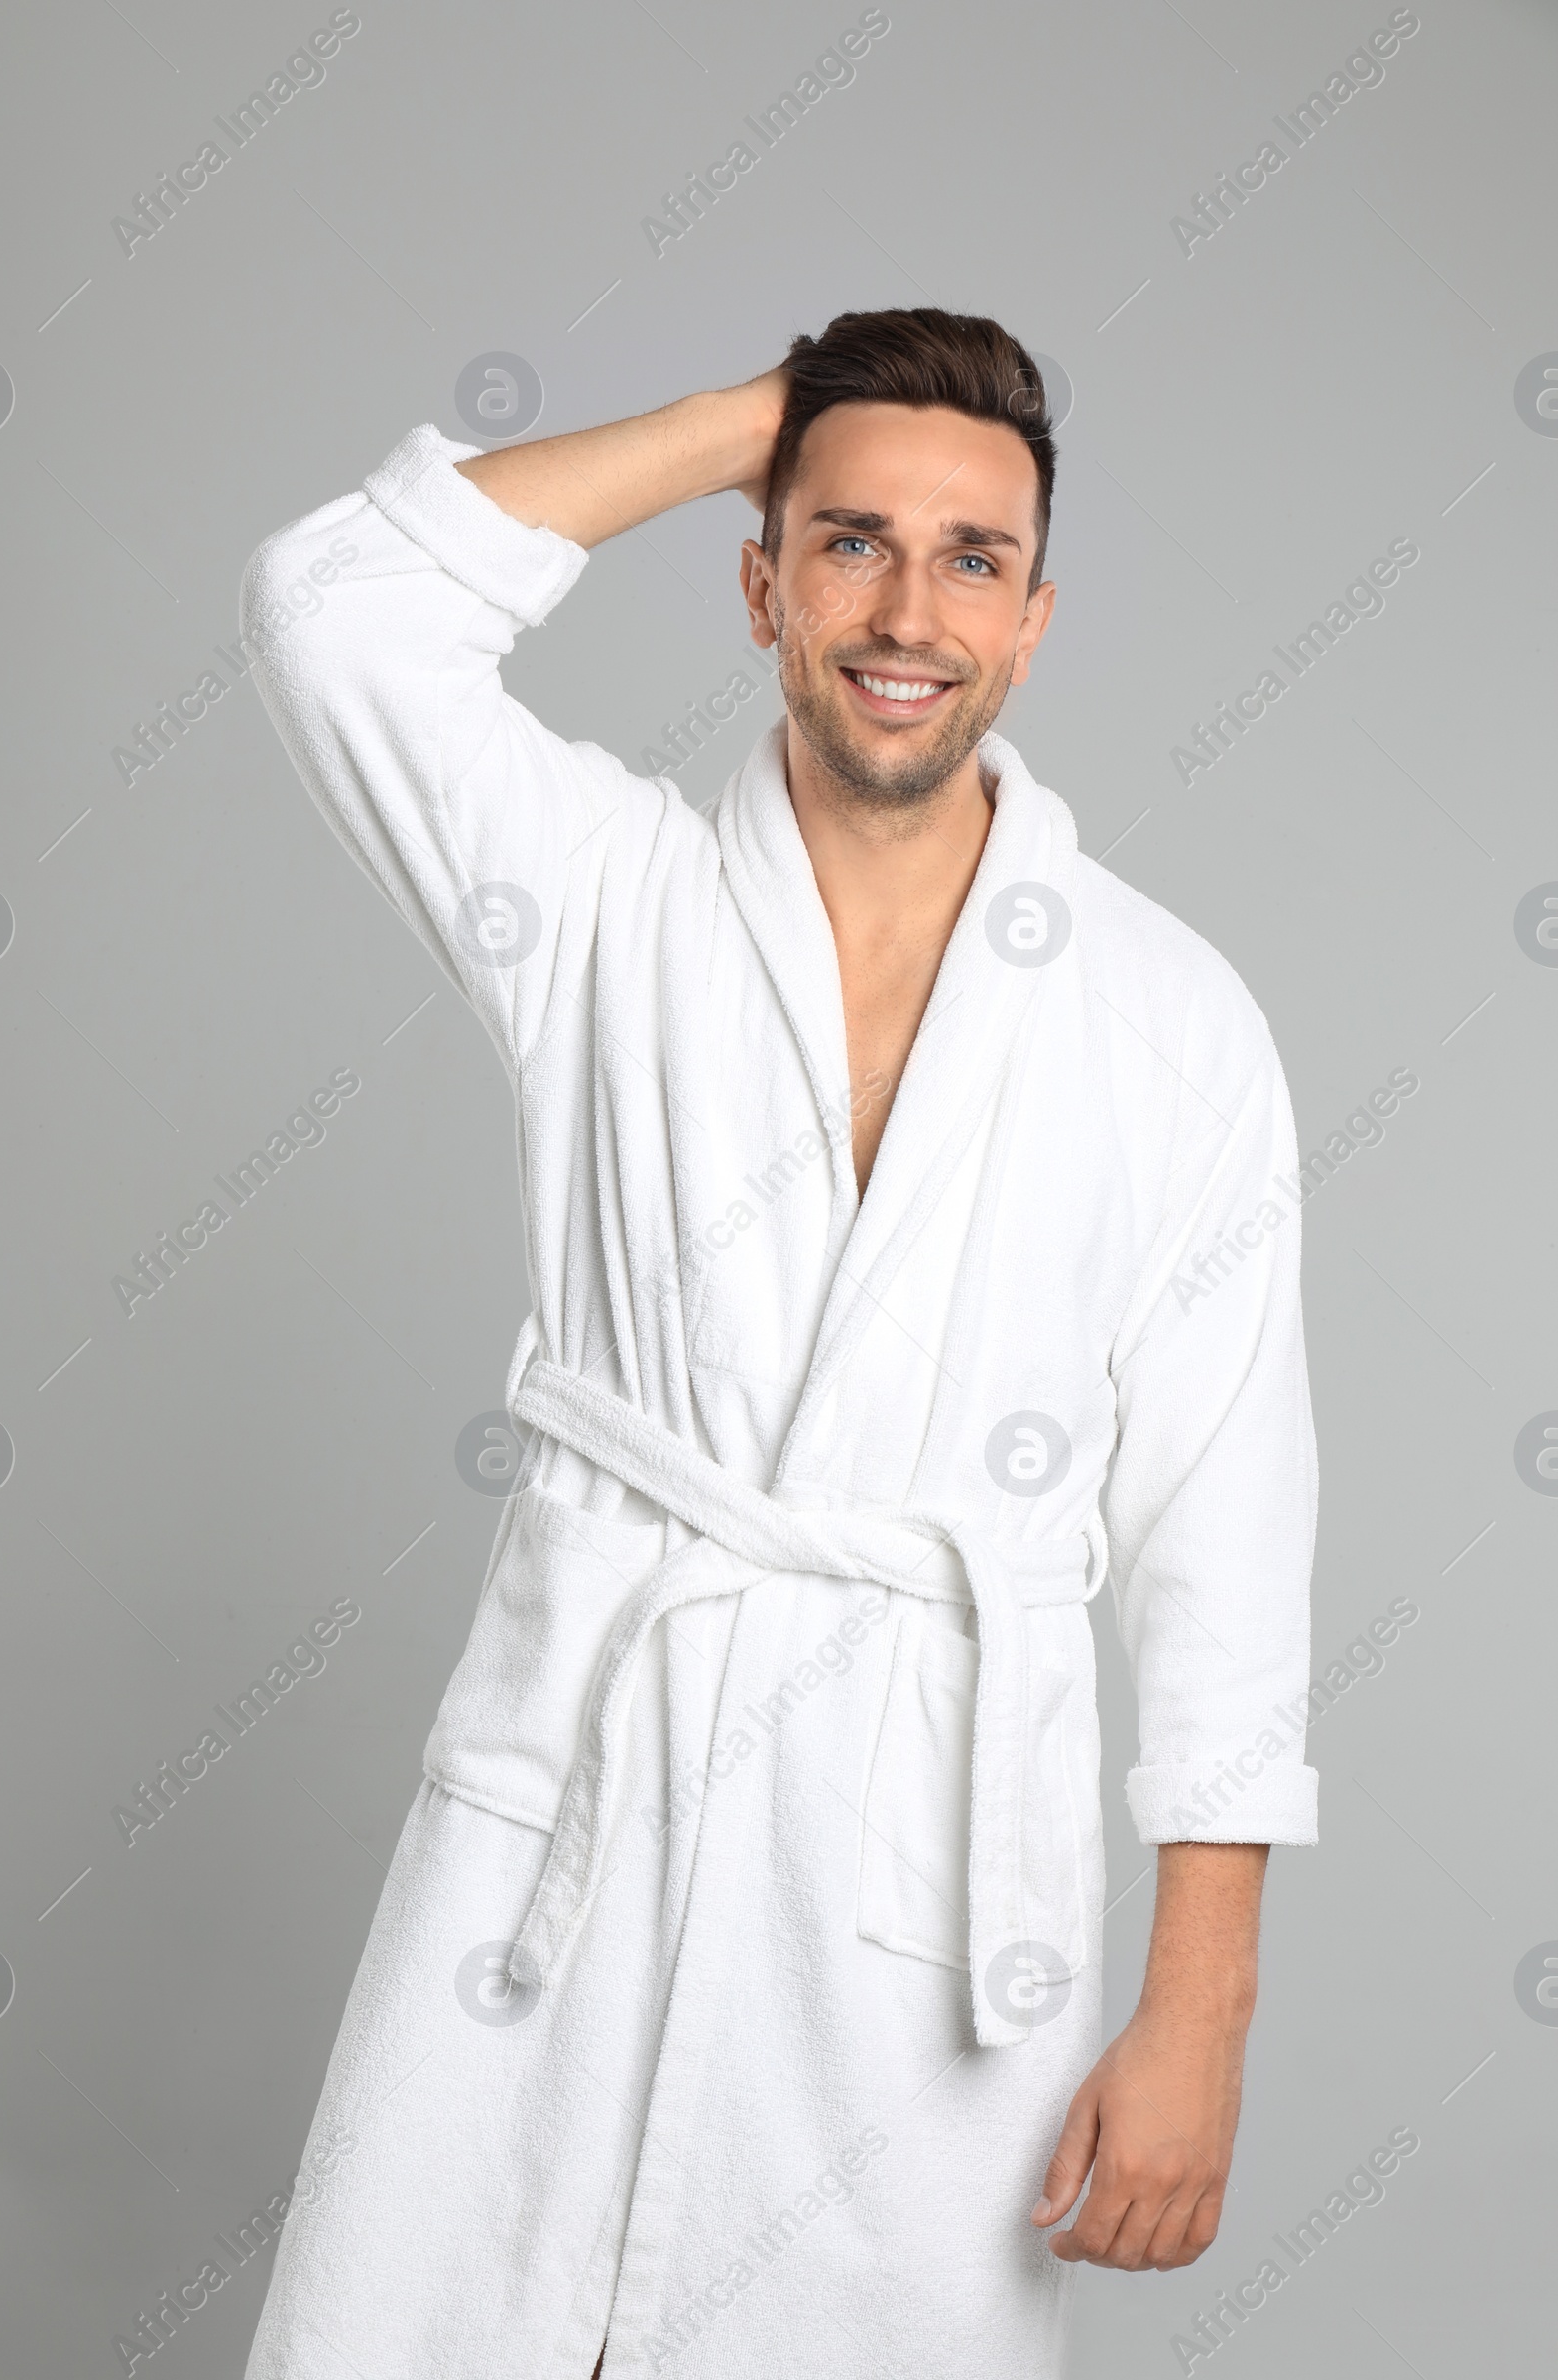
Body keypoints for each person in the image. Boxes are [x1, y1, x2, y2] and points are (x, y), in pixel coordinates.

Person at [239, 307, 1318, 2380]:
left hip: (908, 1875)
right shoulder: (603, 898)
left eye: (969, 558)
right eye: (845, 542)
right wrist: (758, 416)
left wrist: (1199, 2017)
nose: (906, 610)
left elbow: (1222, 1547)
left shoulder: (1169, 1026)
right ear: (756, 576)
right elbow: (333, 607)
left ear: (1034, 616)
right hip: (565, 1789)